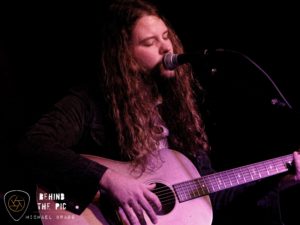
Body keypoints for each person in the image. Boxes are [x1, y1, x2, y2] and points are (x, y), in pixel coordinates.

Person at [16, 0, 300, 225]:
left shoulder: (178, 113)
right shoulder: (89, 101)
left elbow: (210, 195)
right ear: (124, 56)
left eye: (166, 37)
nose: (167, 48)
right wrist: (110, 181)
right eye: (150, 42)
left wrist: (280, 179)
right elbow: (34, 145)